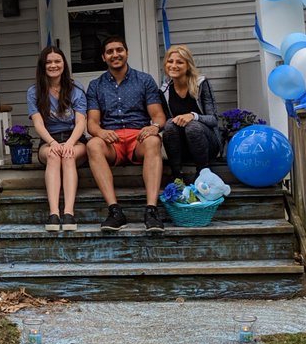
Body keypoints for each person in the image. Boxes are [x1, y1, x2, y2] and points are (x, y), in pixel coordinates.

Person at [85, 35, 166, 231]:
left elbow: (158, 116)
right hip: (112, 140)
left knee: (154, 141)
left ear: (127, 53)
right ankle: (115, 211)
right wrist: (101, 133)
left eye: (119, 50)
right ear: (104, 57)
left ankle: (151, 211)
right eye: (110, 52)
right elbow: (92, 123)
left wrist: (154, 127)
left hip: (138, 137)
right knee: (92, 144)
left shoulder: (144, 80)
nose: (115, 55)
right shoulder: (96, 85)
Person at [27, 46, 88, 232]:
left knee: (68, 156)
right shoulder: (34, 91)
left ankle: (68, 213)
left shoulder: (76, 89)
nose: (53, 65)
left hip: (74, 140)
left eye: (57, 61)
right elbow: (38, 124)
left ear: (64, 64)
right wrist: (53, 143)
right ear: (42, 66)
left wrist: (69, 143)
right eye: (49, 62)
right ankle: (54, 213)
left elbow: (80, 122)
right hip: (48, 140)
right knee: (54, 156)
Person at [159, 45, 222, 180]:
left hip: (206, 145)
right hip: (182, 148)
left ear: (188, 65)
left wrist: (193, 116)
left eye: (179, 62)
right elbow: (167, 123)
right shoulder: (164, 90)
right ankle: (177, 176)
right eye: (170, 61)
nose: (173, 65)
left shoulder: (201, 84)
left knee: (192, 126)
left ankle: (202, 174)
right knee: (170, 124)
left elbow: (214, 119)